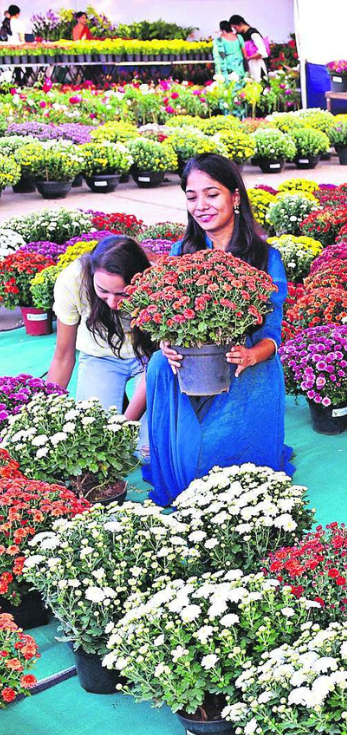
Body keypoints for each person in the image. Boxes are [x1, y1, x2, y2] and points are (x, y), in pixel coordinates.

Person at [142, 153, 292, 506]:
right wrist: (167, 342)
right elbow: (166, 314)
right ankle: (176, 459)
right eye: (192, 197)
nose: (201, 205)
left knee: (220, 462)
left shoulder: (264, 256)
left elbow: (273, 331)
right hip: (191, 360)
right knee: (159, 366)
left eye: (212, 194)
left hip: (245, 361)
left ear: (235, 197)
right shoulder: (183, 251)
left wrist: (254, 353)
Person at [47, 236, 155, 421]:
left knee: (148, 446)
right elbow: (63, 356)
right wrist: (46, 412)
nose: (113, 303)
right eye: (103, 291)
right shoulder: (73, 280)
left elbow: (157, 358)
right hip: (100, 356)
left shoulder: (156, 280)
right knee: (94, 427)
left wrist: (125, 425)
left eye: (123, 294)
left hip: (149, 358)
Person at [229, 15, 268, 81]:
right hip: (248, 64)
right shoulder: (240, 35)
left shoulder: (253, 33)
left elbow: (262, 51)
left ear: (241, 24)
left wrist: (249, 57)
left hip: (257, 64)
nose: (235, 30)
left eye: (235, 27)